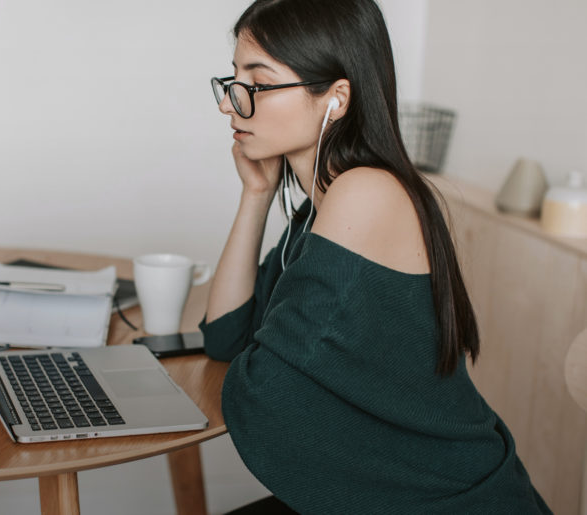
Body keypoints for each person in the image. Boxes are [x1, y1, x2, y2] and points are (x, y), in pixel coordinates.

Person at [200, 0, 552, 513]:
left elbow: (265, 389)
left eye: (257, 83)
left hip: (451, 501)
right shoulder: (315, 211)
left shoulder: (365, 193)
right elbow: (226, 337)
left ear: (336, 98)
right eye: (232, 81)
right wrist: (255, 196)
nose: (229, 104)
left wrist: (259, 361)